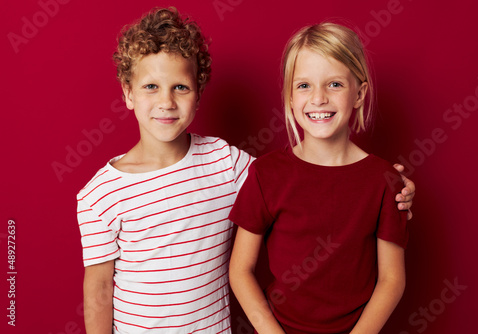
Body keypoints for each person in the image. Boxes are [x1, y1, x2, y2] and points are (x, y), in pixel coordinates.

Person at [76, 8, 414, 333]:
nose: (166, 101)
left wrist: (397, 191)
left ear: (198, 93)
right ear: (128, 93)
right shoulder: (99, 196)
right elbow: (99, 287)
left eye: (180, 87)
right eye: (151, 86)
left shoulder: (226, 162)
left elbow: (304, 182)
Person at [229, 22, 409, 334]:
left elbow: (392, 280)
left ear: (359, 93)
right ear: (288, 97)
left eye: (335, 84)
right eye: (304, 86)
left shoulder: (386, 181)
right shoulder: (266, 173)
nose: (319, 98)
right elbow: (240, 270)